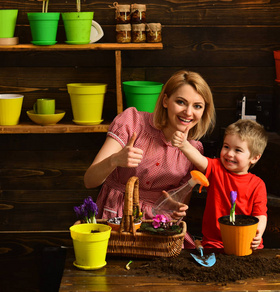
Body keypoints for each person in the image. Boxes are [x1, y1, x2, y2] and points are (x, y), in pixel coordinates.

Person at [84, 70, 215, 248]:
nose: (188, 112)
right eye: (181, 102)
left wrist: (174, 210)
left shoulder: (193, 151)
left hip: (157, 230)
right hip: (116, 218)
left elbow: (179, 207)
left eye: (198, 106)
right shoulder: (133, 122)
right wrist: (115, 160)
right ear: (165, 101)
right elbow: (89, 180)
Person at [172, 118, 268, 250]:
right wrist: (184, 145)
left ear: (255, 157)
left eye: (238, 150)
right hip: (214, 242)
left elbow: (260, 214)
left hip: (246, 243)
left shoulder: (257, 184)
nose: (229, 154)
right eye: (226, 146)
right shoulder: (217, 168)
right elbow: (200, 160)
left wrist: (258, 233)